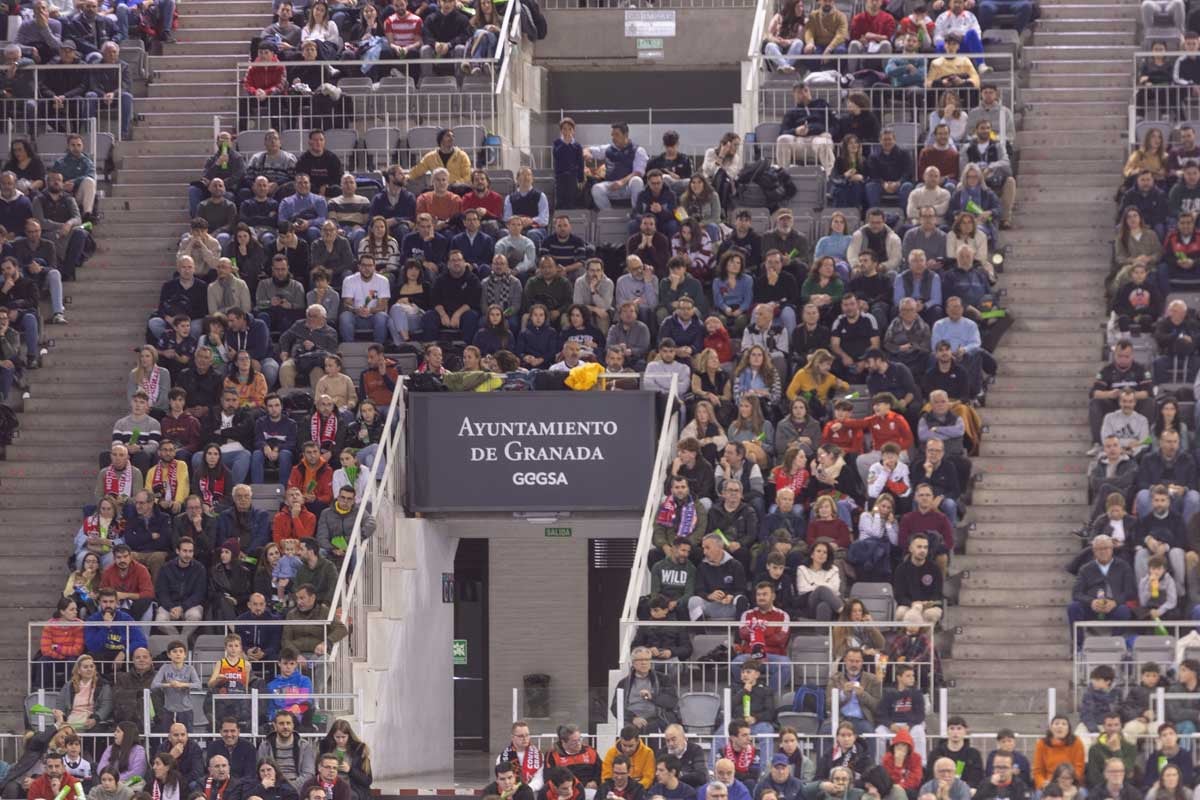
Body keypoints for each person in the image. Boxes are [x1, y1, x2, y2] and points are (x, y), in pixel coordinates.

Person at [823, 649, 881, 737]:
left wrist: (863, 695)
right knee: (825, 730)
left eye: (857, 661)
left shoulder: (872, 680)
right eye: (851, 661)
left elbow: (877, 706)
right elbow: (828, 704)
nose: (854, 664)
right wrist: (843, 694)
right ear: (845, 661)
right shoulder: (835, 679)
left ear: (862, 662)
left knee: (869, 732)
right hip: (839, 719)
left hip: (862, 720)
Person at [258, 709, 316, 788]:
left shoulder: (304, 746)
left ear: (293, 725)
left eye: (288, 723)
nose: (285, 727)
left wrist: (289, 788)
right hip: (273, 788)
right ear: (275, 726)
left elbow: (308, 774)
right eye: (281, 724)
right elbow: (261, 771)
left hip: (297, 789)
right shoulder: (265, 746)